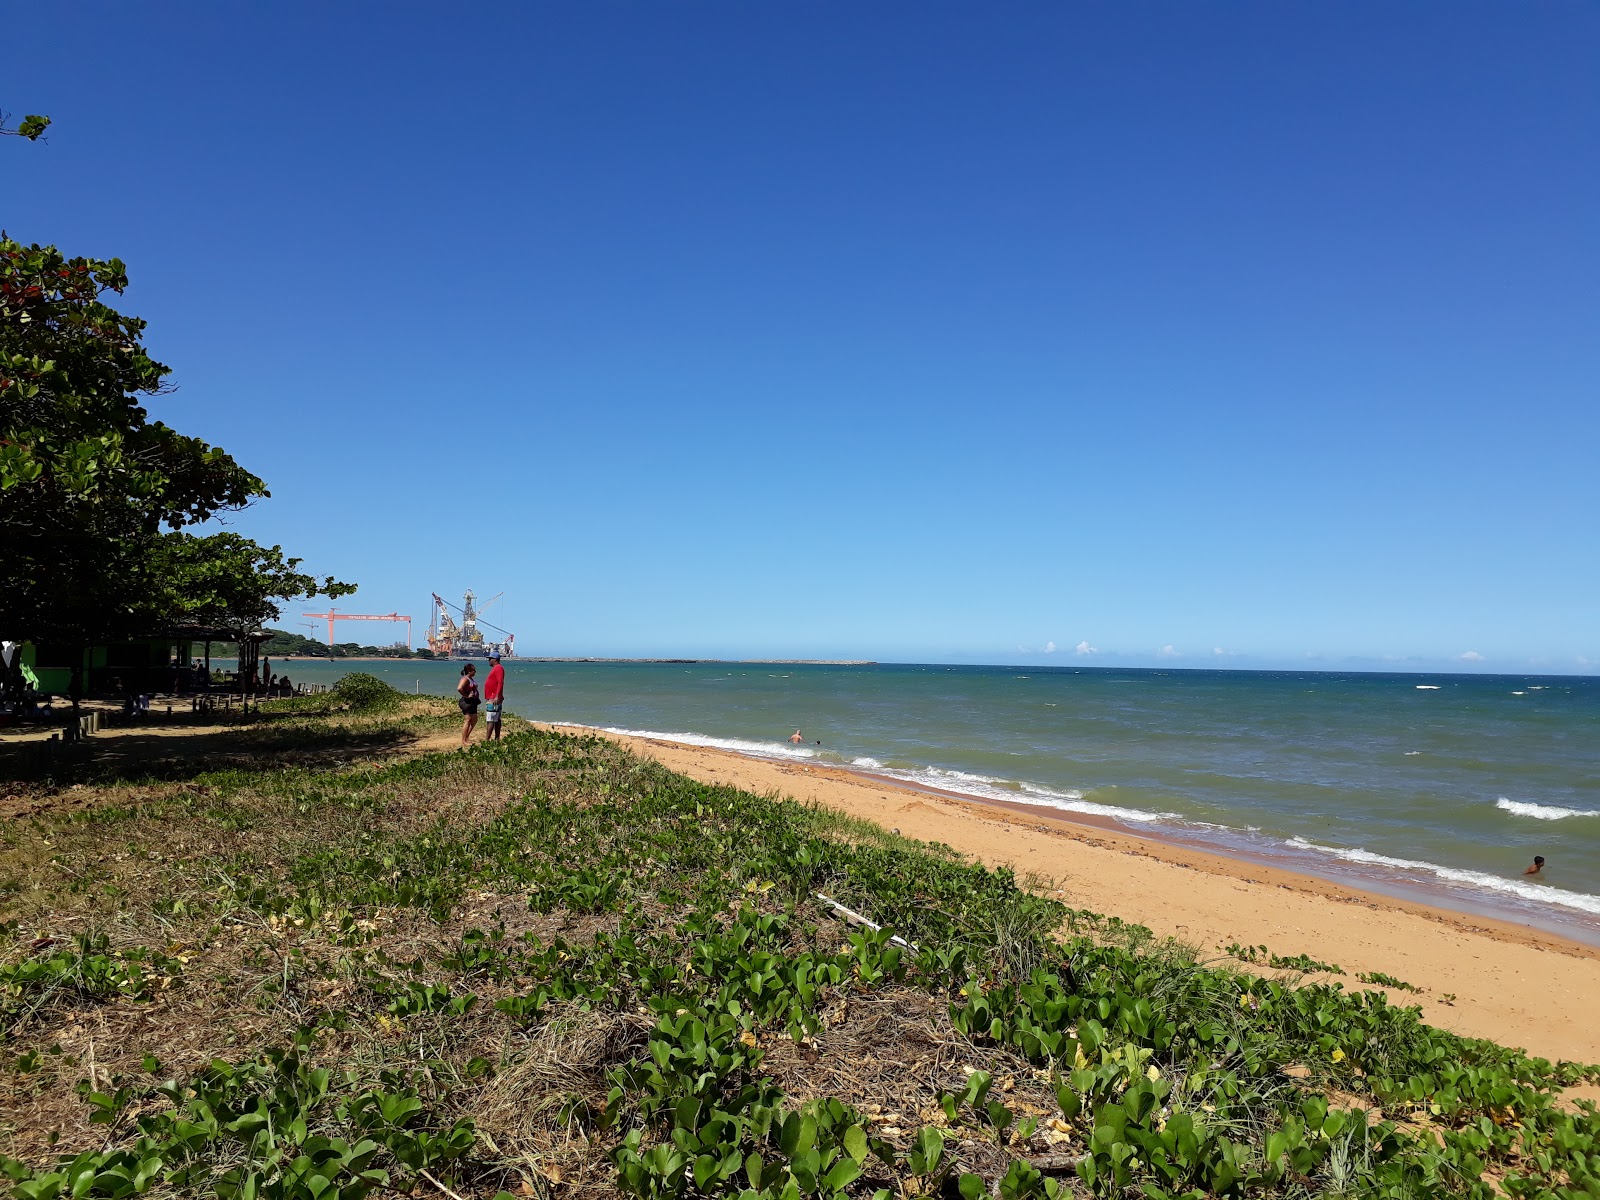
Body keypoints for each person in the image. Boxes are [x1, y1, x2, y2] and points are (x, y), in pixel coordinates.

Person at [482, 651, 505, 741]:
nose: (489, 661)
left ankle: (487, 739)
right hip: (493, 697)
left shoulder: (498, 668)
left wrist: (496, 696)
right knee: (495, 718)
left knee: (491, 719)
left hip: (493, 698)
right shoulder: (496, 668)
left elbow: (500, 682)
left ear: (495, 659)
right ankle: (496, 738)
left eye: (490, 659)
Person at [457, 663, 480, 745]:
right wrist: (466, 696)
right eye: (474, 671)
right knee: (467, 720)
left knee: (474, 720)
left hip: (473, 702)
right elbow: (459, 688)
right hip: (467, 702)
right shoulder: (465, 679)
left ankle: (466, 737)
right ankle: (463, 740)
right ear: (469, 671)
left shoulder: (471, 679)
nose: (475, 672)